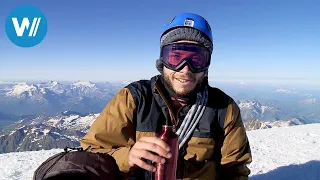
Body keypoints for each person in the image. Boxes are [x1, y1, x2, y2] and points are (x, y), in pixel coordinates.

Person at [80, 12, 252, 180]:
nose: (186, 69)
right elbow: (91, 152)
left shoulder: (223, 108)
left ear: (206, 65)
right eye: (176, 57)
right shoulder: (134, 98)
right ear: (162, 62)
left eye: (197, 59)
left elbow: (235, 170)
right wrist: (128, 156)